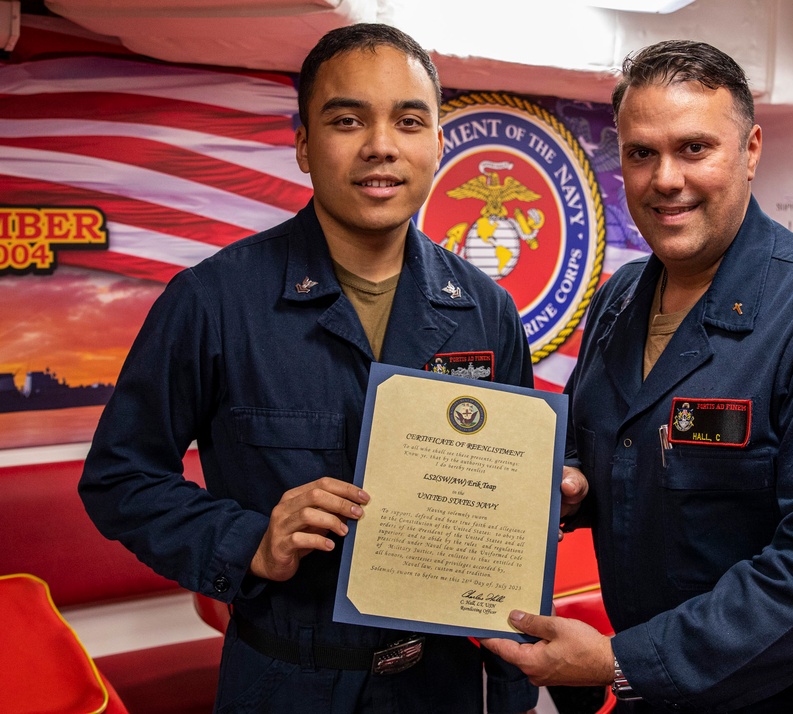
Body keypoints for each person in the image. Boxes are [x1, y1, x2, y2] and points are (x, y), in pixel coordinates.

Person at [79, 23, 538, 714]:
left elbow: (510, 530)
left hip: (440, 687)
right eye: (347, 119)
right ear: (302, 143)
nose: (381, 145)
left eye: (409, 121)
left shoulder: (486, 311)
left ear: (438, 143)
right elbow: (120, 478)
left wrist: (508, 696)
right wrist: (250, 542)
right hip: (284, 682)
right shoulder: (213, 302)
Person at [483, 39, 793, 712]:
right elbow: (604, 444)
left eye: (694, 149)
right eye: (641, 153)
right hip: (666, 688)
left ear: (749, 150)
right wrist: (573, 484)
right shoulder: (620, 299)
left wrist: (620, 660)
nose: (666, 179)